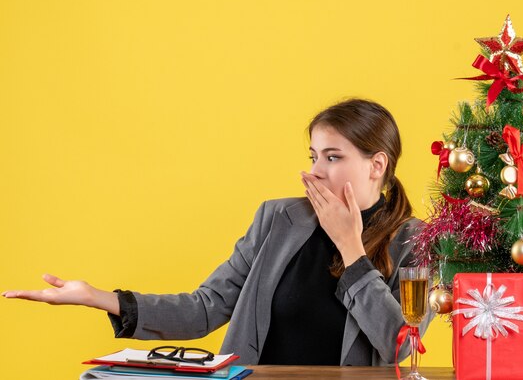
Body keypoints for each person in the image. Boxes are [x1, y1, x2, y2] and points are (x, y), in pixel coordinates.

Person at [2, 98, 433, 366]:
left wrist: (351, 249)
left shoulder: (418, 242)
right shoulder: (277, 219)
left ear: (377, 165)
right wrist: (99, 297)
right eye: (314, 155)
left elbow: (401, 346)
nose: (315, 172)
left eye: (333, 157)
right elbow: (205, 308)